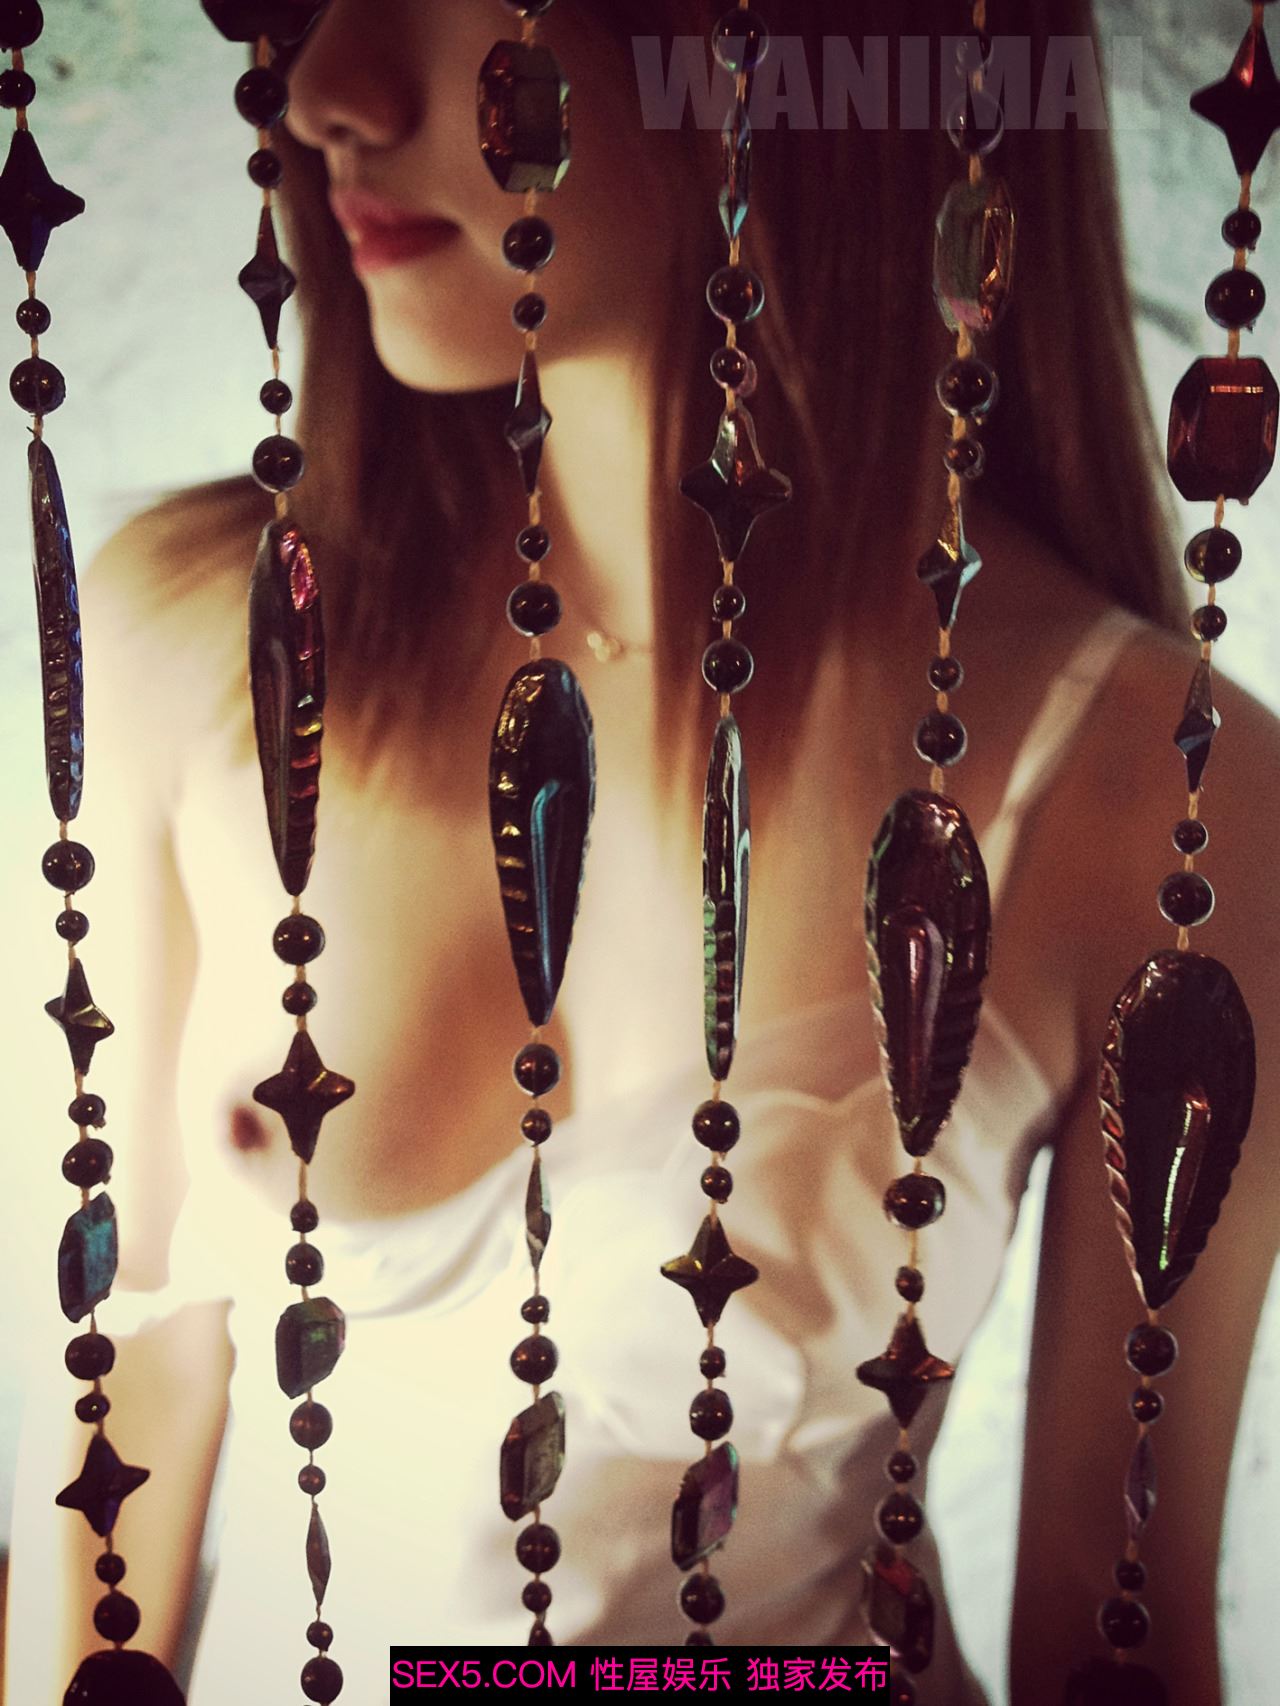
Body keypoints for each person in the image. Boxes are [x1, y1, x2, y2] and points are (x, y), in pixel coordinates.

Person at [6, 1, 1279, 1701]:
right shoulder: (188, 644)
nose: (322, 93)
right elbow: (115, 1453)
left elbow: (1110, 1655)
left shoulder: (1161, 791)